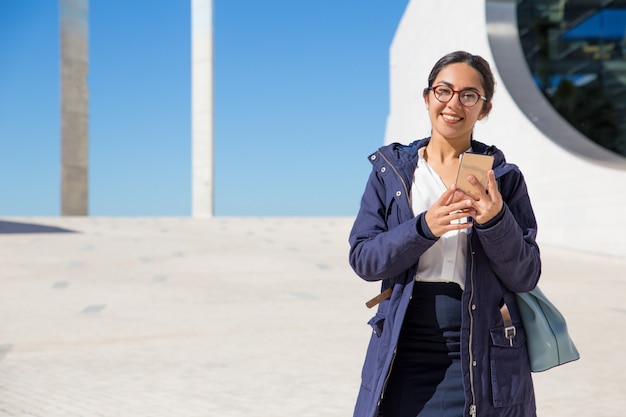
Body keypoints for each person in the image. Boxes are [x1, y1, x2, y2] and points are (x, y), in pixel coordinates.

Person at [348, 51, 541, 417]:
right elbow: (364, 259)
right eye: (444, 90)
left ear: (483, 109)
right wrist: (423, 228)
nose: (454, 103)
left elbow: (526, 273)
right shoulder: (392, 174)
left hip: (481, 348)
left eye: (469, 95)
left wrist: (496, 220)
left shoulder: (503, 179)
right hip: (402, 347)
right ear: (427, 98)